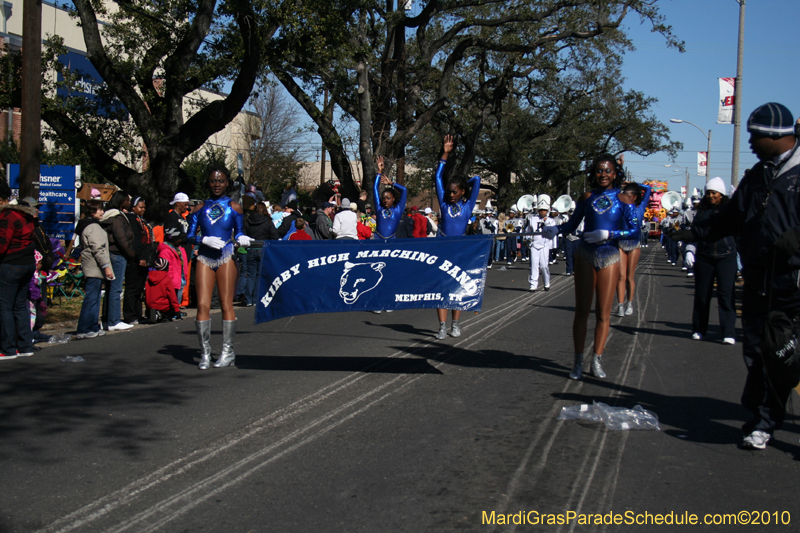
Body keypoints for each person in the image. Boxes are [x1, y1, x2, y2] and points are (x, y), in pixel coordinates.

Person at [677, 103, 800, 450]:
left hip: (795, 284)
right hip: (762, 284)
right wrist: (693, 232)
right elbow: (729, 218)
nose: (750, 142)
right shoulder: (757, 176)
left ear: (776, 137)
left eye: (755, 136)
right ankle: (762, 423)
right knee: (763, 354)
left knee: (792, 357)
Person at [545, 154, 638, 380]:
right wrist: (556, 229)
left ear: (615, 173)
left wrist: (610, 234)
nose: (603, 175)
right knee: (582, 312)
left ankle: (596, 359)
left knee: (603, 313)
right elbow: (572, 223)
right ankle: (578, 361)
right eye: (599, 171)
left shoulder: (624, 199)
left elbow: (635, 231)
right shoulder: (586, 197)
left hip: (609, 256)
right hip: (586, 254)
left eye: (608, 171)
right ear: (593, 174)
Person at [187, 165, 252, 370]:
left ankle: (227, 351)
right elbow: (188, 235)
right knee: (203, 305)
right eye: (214, 180)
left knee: (226, 304)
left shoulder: (235, 207)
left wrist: (241, 238)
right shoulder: (199, 208)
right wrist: (203, 239)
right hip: (205, 256)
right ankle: (205, 353)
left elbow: (239, 231)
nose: (217, 184)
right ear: (208, 183)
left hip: (225, 255)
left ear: (227, 183)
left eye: (221, 180)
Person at [433, 134, 481, 339]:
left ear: (462, 192)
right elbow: (437, 178)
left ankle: (455, 323)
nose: (451, 195)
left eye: (455, 191)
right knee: (442, 286)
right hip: (443, 246)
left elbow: (476, 180)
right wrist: (445, 153)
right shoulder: (444, 204)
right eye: (450, 191)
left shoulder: (468, 205)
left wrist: (463, 182)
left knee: (458, 286)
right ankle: (442, 326)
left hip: (460, 249)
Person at [682, 177, 738, 345]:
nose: (711, 196)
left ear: (721, 194)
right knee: (702, 294)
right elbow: (695, 234)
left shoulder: (729, 211)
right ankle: (698, 329)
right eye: (708, 193)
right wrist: (690, 250)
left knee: (726, 294)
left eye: (715, 193)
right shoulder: (701, 213)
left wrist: (742, 257)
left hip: (726, 257)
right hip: (705, 257)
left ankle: (728, 332)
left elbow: (739, 232)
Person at [0, 192, 39, 359]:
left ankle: (7, 348)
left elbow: (2, 245)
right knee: (19, 305)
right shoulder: (25, 215)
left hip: (11, 263)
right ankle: (25, 345)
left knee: (5, 306)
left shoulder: (7, 216)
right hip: (27, 263)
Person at [74, 200, 114, 340]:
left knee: (96, 297)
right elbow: (98, 249)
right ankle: (84, 328)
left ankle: (92, 326)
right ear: (92, 212)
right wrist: (106, 267)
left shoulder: (91, 225)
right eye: (99, 210)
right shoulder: (93, 227)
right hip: (94, 267)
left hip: (94, 266)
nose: (102, 212)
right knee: (91, 298)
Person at [100, 191, 136, 331]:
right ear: (121, 201)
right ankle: (114, 320)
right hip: (118, 255)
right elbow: (121, 238)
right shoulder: (116, 217)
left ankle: (107, 319)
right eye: (127, 199)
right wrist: (131, 254)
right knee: (115, 289)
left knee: (110, 289)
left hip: (113, 254)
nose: (129, 202)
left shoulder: (110, 215)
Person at [616, 181, 651, 316]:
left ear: (635, 197)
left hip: (634, 245)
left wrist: (633, 183)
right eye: (624, 196)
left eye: (629, 196)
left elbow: (648, 188)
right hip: (621, 244)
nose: (626, 199)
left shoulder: (640, 207)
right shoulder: (619, 209)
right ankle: (620, 305)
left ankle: (629, 303)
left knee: (630, 277)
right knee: (621, 276)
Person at [124, 197, 154, 324]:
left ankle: (138, 314)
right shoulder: (131, 220)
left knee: (140, 287)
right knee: (132, 287)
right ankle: (130, 315)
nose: (143, 210)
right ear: (133, 207)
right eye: (140, 207)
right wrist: (140, 257)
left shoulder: (142, 220)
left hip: (145, 256)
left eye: (144, 207)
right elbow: (135, 241)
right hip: (135, 259)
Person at [243, 202, 279, 306]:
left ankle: (248, 299)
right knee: (260, 275)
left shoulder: (247, 221)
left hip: (251, 247)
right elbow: (275, 235)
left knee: (250, 275)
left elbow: (244, 234)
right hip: (263, 247)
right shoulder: (267, 221)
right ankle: (256, 299)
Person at [372, 156, 407, 239]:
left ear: (393, 199)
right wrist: (379, 171)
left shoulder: (398, 210)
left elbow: (404, 190)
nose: (386, 200)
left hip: (391, 241)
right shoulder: (379, 208)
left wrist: (391, 183)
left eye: (388, 198)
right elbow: (375, 188)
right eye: (384, 198)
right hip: (378, 239)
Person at [524, 201, 556, 291]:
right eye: (541, 210)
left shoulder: (551, 221)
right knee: (534, 265)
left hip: (544, 245)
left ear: (547, 211)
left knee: (543, 265)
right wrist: (528, 239)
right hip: (534, 245)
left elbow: (552, 232)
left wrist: (545, 223)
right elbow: (528, 231)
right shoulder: (532, 219)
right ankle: (533, 284)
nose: (542, 211)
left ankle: (546, 282)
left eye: (544, 210)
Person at [145, 257, 181, 322]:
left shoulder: (149, 278)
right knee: (170, 310)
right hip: (162, 305)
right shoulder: (166, 279)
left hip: (150, 305)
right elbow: (172, 296)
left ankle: (154, 313)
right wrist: (177, 309)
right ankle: (162, 315)